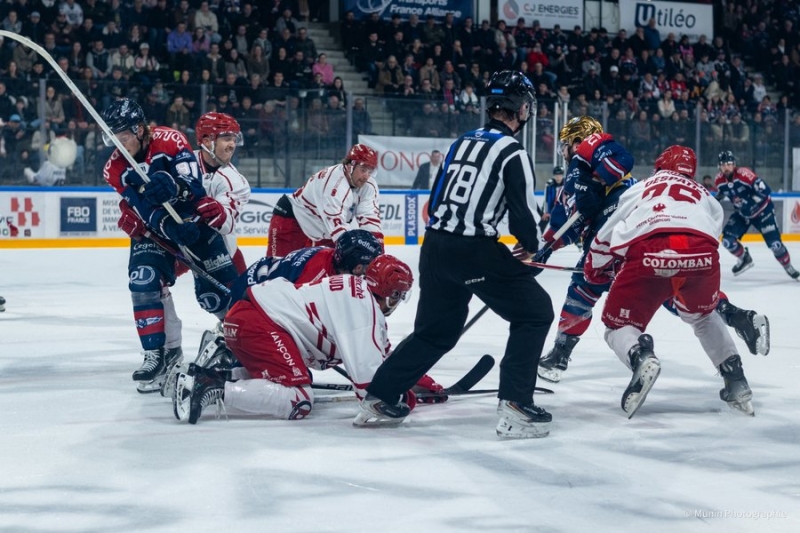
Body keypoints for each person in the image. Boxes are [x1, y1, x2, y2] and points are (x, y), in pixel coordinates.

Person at [354, 70, 555, 438]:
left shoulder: (461, 143)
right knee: (535, 313)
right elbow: (524, 216)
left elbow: (435, 202)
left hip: (434, 247)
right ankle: (515, 405)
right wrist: (531, 247)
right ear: (521, 108)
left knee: (436, 332)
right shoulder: (512, 151)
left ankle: (380, 396)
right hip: (473, 250)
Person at [585, 145, 755, 417]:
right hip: (702, 256)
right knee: (702, 316)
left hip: (651, 252)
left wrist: (595, 266)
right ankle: (736, 381)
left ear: (661, 165)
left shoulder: (643, 186)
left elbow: (609, 231)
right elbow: (712, 232)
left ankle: (640, 356)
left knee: (616, 326)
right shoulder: (704, 193)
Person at [172, 255, 415, 424]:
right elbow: (371, 391)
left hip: (247, 317)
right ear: (389, 293)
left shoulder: (354, 290)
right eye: (398, 296)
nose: (396, 303)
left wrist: (419, 382)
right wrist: (401, 397)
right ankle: (211, 387)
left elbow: (385, 358)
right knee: (298, 399)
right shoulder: (364, 310)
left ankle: (208, 376)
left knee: (291, 379)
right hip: (260, 323)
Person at [103, 98, 239, 394]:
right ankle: (160, 355)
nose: (117, 145)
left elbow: (194, 186)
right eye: (112, 138)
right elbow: (141, 207)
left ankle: (245, 343)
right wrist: (168, 227)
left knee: (217, 295)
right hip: (157, 230)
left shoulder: (170, 139)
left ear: (139, 130)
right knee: (143, 280)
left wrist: (174, 186)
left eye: (122, 137)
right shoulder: (114, 168)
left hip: (196, 223)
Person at [536, 116, 636, 383]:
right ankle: (722, 310)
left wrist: (595, 176)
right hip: (625, 231)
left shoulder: (592, 151)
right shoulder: (577, 173)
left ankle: (559, 355)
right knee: (656, 284)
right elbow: (567, 222)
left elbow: (621, 163)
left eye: (566, 144)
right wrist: (546, 249)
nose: (563, 150)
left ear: (579, 140)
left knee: (583, 286)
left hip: (616, 224)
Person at [266, 143, 383, 257]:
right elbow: (339, 231)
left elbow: (370, 218)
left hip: (320, 230)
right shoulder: (334, 186)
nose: (366, 176)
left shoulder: (369, 185)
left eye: (370, 171)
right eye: (363, 170)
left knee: (331, 266)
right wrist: (359, 253)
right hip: (291, 221)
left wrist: (378, 253)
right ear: (350, 166)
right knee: (278, 267)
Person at [715, 150, 799, 279]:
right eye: (723, 164)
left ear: (734, 164)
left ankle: (788, 266)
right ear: (719, 166)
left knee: (775, 244)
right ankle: (744, 258)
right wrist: (714, 201)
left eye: (729, 164)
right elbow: (722, 192)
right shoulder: (719, 180)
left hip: (763, 213)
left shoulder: (744, 174)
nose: (726, 167)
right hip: (743, 214)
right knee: (727, 240)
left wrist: (749, 203)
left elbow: (765, 190)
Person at [193, 112, 251, 274]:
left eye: (234, 139)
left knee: (239, 289)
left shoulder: (236, 182)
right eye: (226, 138)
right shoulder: (180, 162)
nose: (232, 145)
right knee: (151, 283)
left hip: (218, 251)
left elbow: (227, 225)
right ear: (207, 141)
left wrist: (219, 213)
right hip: (177, 241)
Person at [539, 165, 564, 231]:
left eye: (560, 175)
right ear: (554, 176)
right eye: (556, 175)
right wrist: (546, 212)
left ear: (562, 175)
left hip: (562, 209)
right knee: (544, 218)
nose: (558, 177)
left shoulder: (566, 183)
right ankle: (537, 234)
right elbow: (546, 199)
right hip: (551, 207)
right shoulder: (549, 184)